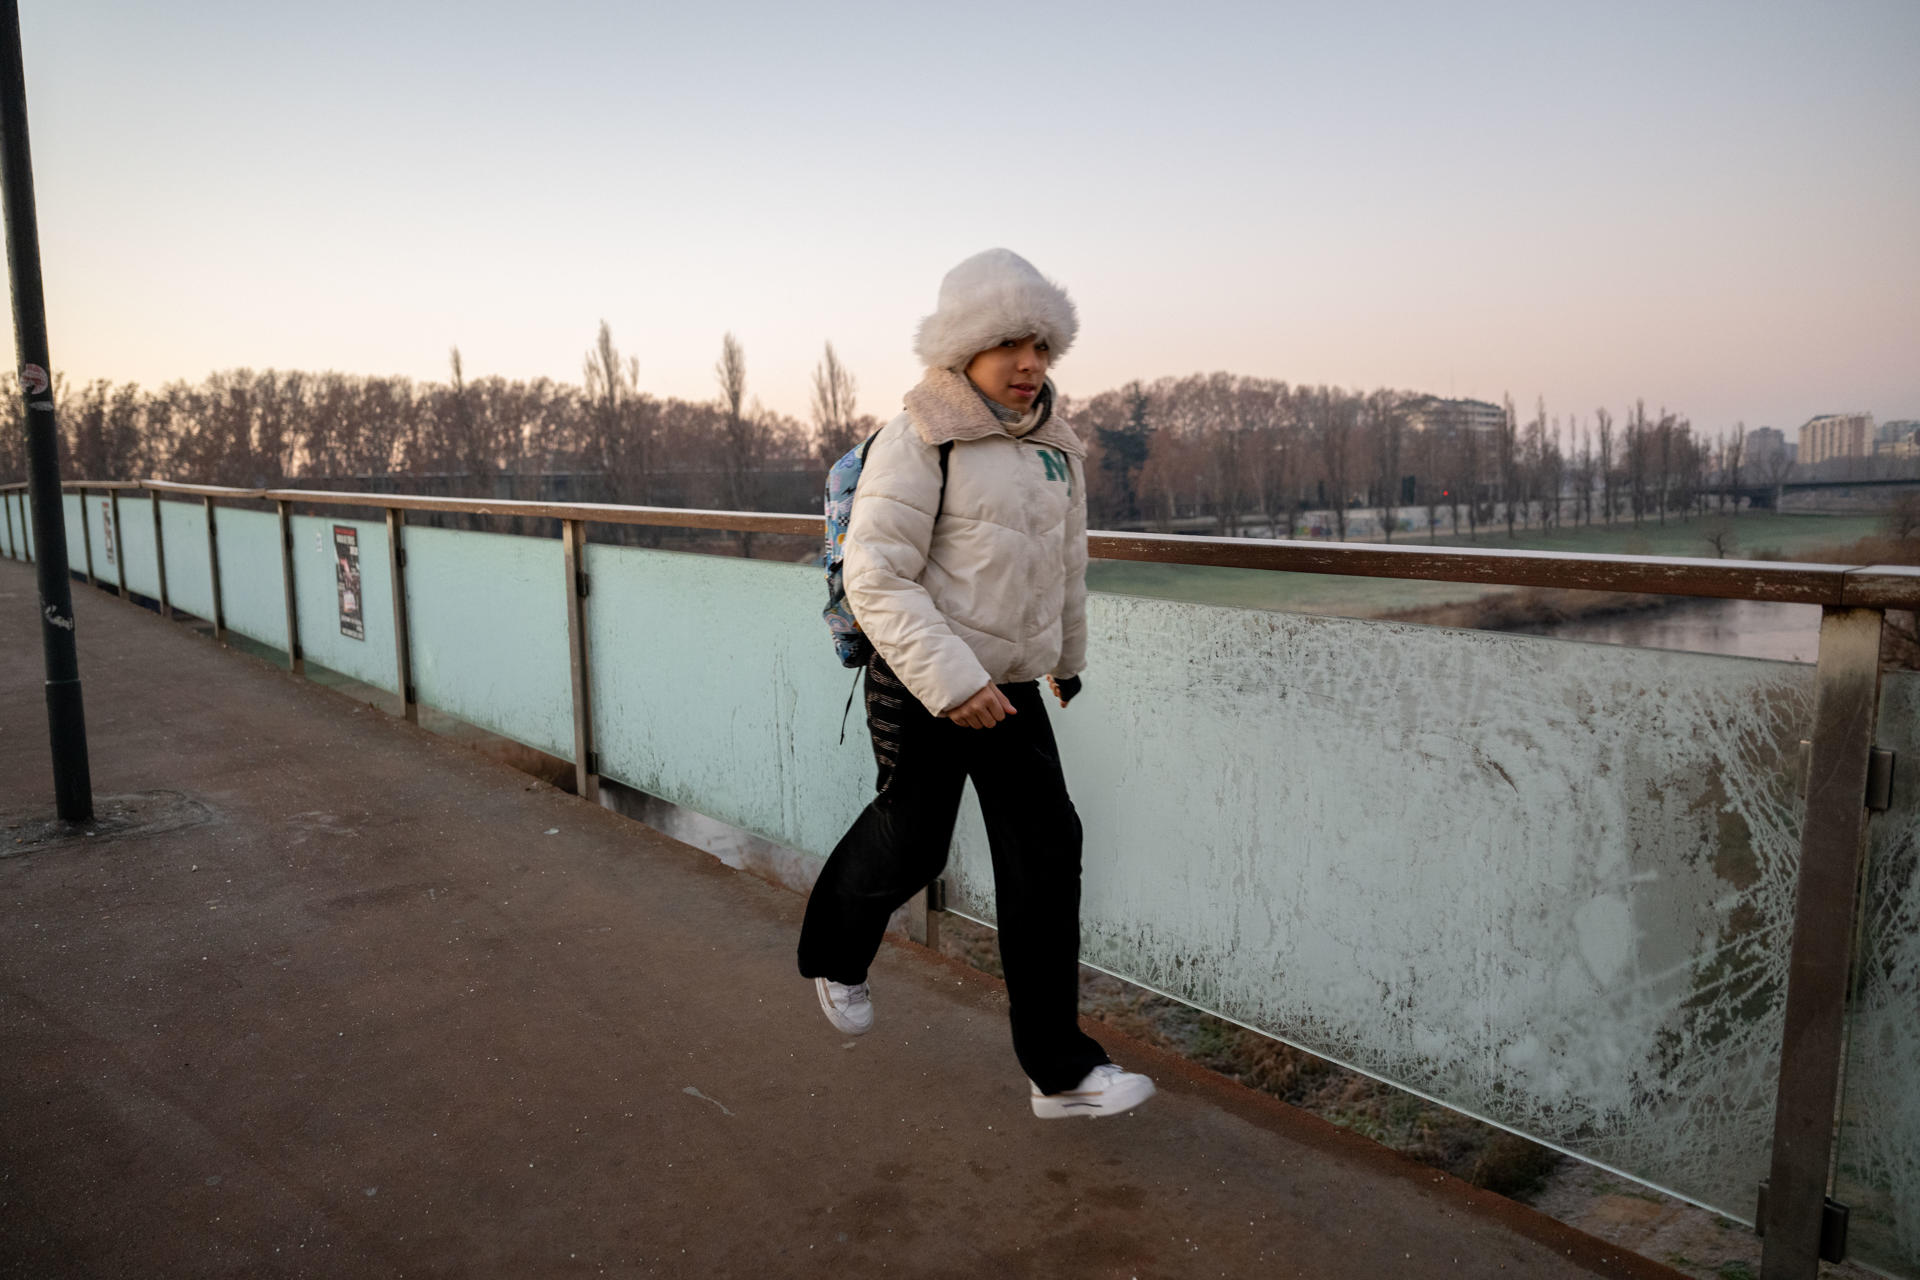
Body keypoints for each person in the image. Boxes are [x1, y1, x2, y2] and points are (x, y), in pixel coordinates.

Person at [797, 248, 1155, 1120]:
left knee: (1045, 847)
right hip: (924, 678)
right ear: (964, 351)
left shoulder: (1056, 449)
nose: (1031, 364)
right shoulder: (921, 435)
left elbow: (1062, 568)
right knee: (915, 843)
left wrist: (1064, 659)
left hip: (1006, 683)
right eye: (1010, 346)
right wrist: (952, 683)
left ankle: (1060, 1072)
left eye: (1042, 346)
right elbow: (875, 577)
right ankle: (836, 954)